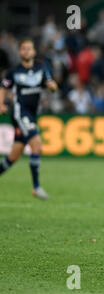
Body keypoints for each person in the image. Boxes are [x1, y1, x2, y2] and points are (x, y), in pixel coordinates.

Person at [0, 38, 58, 199]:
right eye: (23, 49)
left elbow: (51, 83)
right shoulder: (14, 71)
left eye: (29, 49)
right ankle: (36, 187)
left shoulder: (41, 68)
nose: (26, 51)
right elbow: (3, 88)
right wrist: (1, 104)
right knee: (37, 145)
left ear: (34, 51)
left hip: (31, 114)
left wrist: (53, 87)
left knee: (13, 156)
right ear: (19, 52)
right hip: (19, 112)